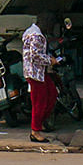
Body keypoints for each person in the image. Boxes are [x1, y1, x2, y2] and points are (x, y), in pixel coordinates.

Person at [22, 12, 58, 143]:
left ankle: (39, 122)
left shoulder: (30, 31)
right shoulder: (36, 36)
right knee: (40, 102)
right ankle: (35, 131)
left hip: (38, 72)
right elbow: (35, 56)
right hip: (35, 73)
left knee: (52, 93)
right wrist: (51, 60)